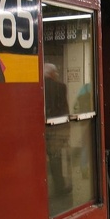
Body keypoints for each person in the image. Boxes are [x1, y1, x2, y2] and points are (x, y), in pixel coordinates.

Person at [44, 63, 72, 195]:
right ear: (52, 74)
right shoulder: (61, 87)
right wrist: (67, 130)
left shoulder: (39, 87)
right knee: (56, 158)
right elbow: (64, 110)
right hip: (57, 129)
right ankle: (59, 187)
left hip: (42, 129)